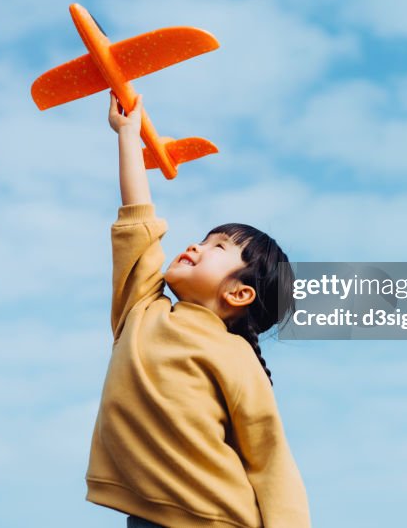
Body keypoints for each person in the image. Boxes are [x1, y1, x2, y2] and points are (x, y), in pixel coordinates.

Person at [85, 93, 311, 527]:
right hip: (149, 514)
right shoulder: (142, 310)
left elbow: (270, 460)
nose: (195, 245)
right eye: (203, 239)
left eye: (218, 248)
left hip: (220, 519)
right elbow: (137, 224)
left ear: (240, 294)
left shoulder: (235, 357)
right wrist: (128, 135)